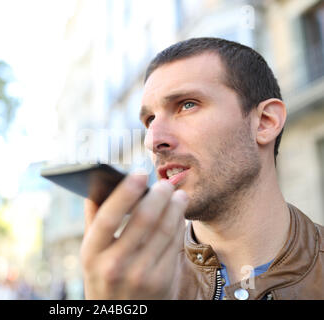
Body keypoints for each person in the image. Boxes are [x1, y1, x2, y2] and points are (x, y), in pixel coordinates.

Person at [80, 37, 324, 300]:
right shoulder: (132, 284)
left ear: (265, 122)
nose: (152, 140)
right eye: (150, 120)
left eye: (187, 105)